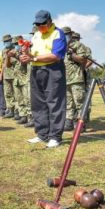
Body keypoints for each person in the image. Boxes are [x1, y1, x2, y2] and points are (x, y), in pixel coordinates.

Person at [20, 10, 67, 148]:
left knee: (55, 102)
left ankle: (55, 137)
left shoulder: (58, 33)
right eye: (37, 24)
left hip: (53, 69)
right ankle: (42, 134)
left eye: (42, 24)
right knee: (38, 103)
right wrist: (26, 54)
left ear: (49, 21)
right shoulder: (36, 35)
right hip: (36, 70)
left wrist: (33, 58)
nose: (40, 27)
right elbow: (32, 54)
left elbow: (56, 55)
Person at [62, 27, 88, 132]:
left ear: (71, 34)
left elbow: (83, 60)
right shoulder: (60, 47)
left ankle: (81, 123)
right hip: (64, 79)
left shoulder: (79, 45)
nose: (65, 36)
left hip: (76, 79)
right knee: (68, 103)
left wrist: (72, 54)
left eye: (67, 34)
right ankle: (68, 122)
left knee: (79, 102)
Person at [7, 36, 30, 124]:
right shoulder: (14, 53)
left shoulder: (25, 51)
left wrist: (16, 55)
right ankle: (23, 116)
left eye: (18, 44)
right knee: (19, 99)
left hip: (24, 79)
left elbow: (24, 62)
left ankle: (30, 117)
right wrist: (8, 56)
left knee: (27, 99)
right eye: (15, 44)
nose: (16, 46)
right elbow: (8, 65)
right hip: (16, 79)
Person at [1, 34, 18, 119]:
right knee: (8, 93)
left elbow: (13, 62)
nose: (6, 43)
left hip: (15, 75)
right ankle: (10, 110)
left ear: (11, 41)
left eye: (7, 41)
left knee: (16, 94)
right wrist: (1, 75)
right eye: (5, 42)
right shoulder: (3, 51)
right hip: (6, 75)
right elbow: (3, 64)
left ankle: (17, 111)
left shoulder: (15, 49)